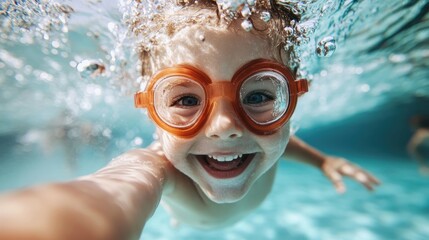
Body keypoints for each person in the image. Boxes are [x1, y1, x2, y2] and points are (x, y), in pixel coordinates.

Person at [0, 1, 380, 239]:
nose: (225, 126)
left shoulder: (266, 145)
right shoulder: (158, 168)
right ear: (152, 110)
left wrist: (324, 160)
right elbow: (114, 192)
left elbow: (288, 145)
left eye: (259, 96)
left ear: (292, 96)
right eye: (185, 99)